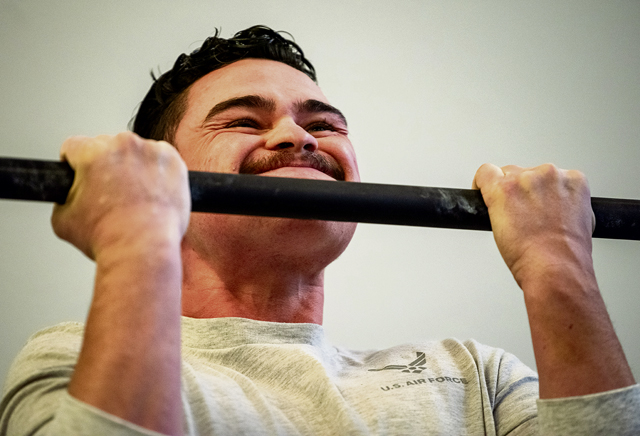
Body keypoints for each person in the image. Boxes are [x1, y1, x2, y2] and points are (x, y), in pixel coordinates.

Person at [1, 25, 638, 436]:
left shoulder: (476, 376)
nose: (297, 137)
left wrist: (556, 260)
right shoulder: (71, 358)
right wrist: (136, 238)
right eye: (243, 120)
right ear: (160, 173)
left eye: (324, 125)